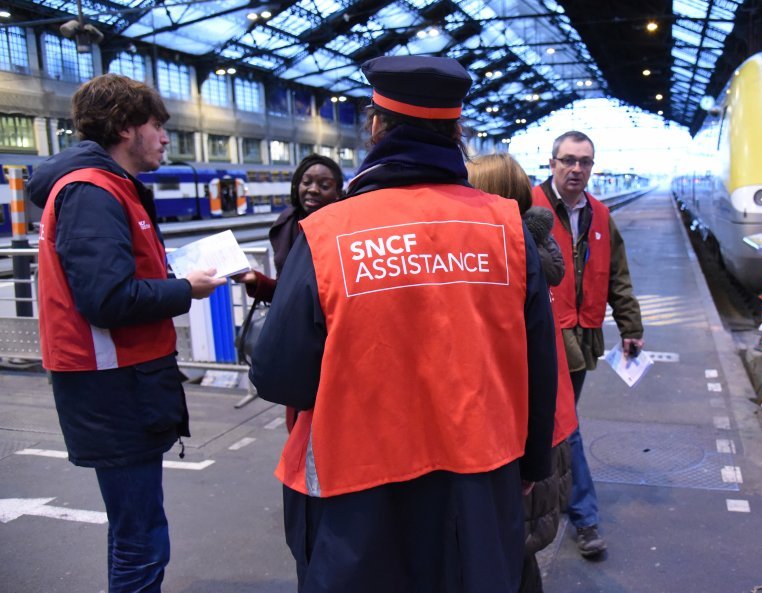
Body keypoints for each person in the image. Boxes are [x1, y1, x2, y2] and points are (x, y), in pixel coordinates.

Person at [249, 56, 558, 593]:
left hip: (355, 496)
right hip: (479, 482)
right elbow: (538, 364)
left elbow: (277, 376)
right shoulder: (507, 229)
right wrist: (531, 463)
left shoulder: (326, 233)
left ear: (375, 126)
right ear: (457, 131)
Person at [27, 74, 226, 593]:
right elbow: (106, 300)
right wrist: (187, 288)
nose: (164, 138)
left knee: (138, 531)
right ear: (123, 127)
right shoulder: (92, 192)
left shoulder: (106, 187)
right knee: (141, 539)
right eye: (156, 126)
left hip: (124, 381)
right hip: (112, 385)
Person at [467, 153, 578, 593]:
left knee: (507, 556)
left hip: (522, 436)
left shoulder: (504, 259)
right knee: (517, 554)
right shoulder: (533, 251)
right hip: (547, 426)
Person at [531, 130, 644, 559]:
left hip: (583, 335)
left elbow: (617, 274)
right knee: (567, 424)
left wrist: (630, 325)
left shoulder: (599, 213)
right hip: (545, 333)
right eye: (568, 160)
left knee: (562, 421)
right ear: (553, 163)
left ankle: (551, 494)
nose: (577, 169)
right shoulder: (530, 208)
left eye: (585, 162)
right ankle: (584, 515)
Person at [236, 153, 344, 302]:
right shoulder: (286, 225)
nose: (313, 189)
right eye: (306, 182)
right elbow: (285, 294)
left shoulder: (346, 229)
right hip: (297, 322)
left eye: (324, 185)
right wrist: (256, 280)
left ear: (338, 193)